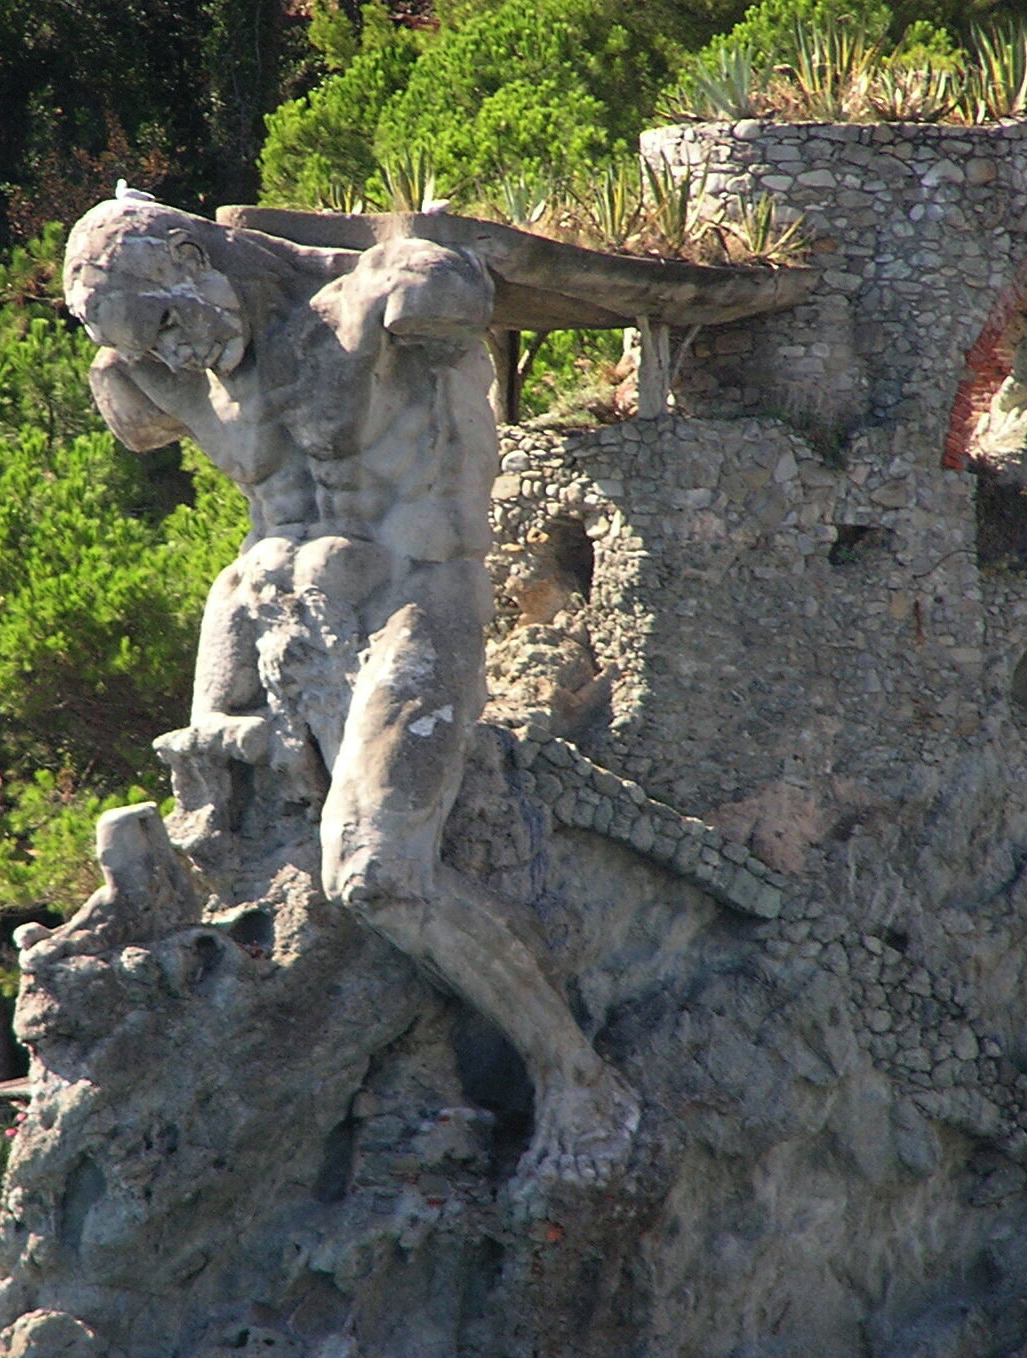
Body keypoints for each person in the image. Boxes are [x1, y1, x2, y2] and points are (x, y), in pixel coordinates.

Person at [62, 195, 638, 1185]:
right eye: (141, 341)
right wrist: (130, 350)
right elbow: (139, 412)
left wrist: (414, 260)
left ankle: (574, 1072)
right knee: (231, 870)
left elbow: (455, 289)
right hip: (261, 621)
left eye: (163, 322)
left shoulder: (368, 296)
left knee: (376, 870)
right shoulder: (152, 364)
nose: (168, 354)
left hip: (411, 601)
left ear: (193, 255)